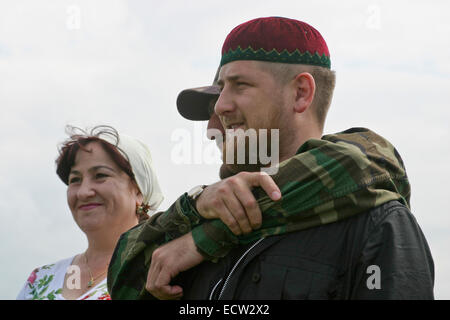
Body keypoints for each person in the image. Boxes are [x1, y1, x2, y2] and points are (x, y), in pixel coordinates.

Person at [108, 17, 434, 300]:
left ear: (300, 93)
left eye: (240, 85)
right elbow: (122, 278)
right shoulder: (201, 218)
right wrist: (194, 211)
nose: (219, 110)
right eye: (219, 91)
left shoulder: (375, 224)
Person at [16, 125, 164, 300]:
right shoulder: (40, 280)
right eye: (75, 179)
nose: (83, 192)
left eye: (100, 175)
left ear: (139, 190)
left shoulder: (160, 271)